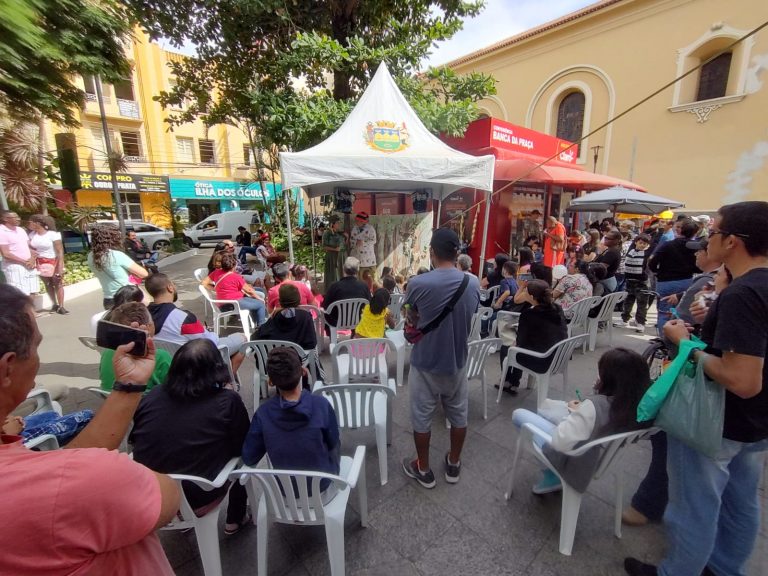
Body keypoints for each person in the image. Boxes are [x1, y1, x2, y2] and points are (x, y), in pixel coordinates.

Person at [625, 201, 768, 576]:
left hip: (716, 420)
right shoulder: (747, 289)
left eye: (714, 232)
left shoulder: (743, 294)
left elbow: (742, 380)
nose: (707, 240)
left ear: (733, 241)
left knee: (695, 507)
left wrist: (685, 344)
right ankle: (722, 568)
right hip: (755, 424)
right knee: (740, 503)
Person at [0, 284, 180, 575]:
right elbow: (167, 499)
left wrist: (129, 386)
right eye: (36, 346)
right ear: (8, 367)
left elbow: (59, 474)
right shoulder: (87, 481)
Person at [621, 263, 732, 529]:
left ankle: (653, 508)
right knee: (739, 493)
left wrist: (684, 342)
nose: (714, 276)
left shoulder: (737, 296)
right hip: (733, 410)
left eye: (720, 273)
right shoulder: (730, 294)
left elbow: (740, 375)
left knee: (672, 446)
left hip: (708, 396)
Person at [131, 339, 251, 536]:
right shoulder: (226, 401)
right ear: (216, 368)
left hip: (150, 495)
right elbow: (244, 446)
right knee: (241, 461)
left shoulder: (152, 395)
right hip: (197, 496)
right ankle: (235, 519)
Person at [401, 228, 480, 489]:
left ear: (432, 251)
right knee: (459, 414)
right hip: (457, 361)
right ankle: (454, 463)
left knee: (421, 417)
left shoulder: (418, 283)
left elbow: (411, 317)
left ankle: (423, 468)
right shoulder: (473, 283)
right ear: (457, 253)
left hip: (425, 362)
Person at [512, 347, 651, 493]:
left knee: (519, 414)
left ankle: (552, 475)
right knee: (546, 411)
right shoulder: (637, 406)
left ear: (610, 380)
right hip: (601, 456)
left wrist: (575, 414)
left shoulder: (595, 406)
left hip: (574, 460)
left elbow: (559, 442)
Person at [242, 347, 341, 489]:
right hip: (322, 487)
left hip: (284, 491)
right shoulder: (321, 405)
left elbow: (249, 456)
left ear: (270, 381)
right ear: (303, 371)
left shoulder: (263, 414)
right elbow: (333, 444)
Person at [145, 273, 246, 374]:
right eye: (173, 284)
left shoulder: (144, 316)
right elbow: (209, 341)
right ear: (170, 288)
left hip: (168, 365)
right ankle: (226, 380)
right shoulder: (183, 317)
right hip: (194, 361)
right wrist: (211, 333)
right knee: (243, 339)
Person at [498, 279, 568, 395]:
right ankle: (513, 383)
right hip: (560, 356)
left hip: (542, 360)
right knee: (517, 347)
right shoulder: (557, 308)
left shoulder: (529, 314)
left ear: (531, 296)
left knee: (507, 347)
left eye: (525, 291)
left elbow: (521, 341)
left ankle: (508, 381)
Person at [99, 302, 173, 393]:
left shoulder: (108, 351)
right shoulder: (161, 356)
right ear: (148, 327)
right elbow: (176, 389)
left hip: (109, 398)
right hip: (146, 401)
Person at [647, 217, 699, 335]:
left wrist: (657, 271)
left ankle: (664, 339)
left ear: (680, 230)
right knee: (682, 311)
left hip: (665, 281)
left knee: (664, 312)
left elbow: (652, 261)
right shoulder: (695, 246)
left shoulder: (668, 245)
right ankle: (678, 336)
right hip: (686, 280)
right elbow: (699, 266)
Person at [88, 223, 148, 309]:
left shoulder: (91, 256)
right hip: (127, 299)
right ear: (111, 237)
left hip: (108, 300)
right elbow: (144, 274)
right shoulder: (116, 255)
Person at [202, 253, 267, 326]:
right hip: (233, 304)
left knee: (256, 300)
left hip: (222, 304)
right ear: (234, 265)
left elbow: (204, 283)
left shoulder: (216, 272)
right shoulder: (236, 276)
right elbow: (249, 290)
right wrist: (260, 299)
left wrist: (215, 289)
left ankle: (257, 324)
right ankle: (262, 326)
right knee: (260, 304)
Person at [28, 214, 67, 314]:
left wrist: (60, 267)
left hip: (53, 261)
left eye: (31, 222)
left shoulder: (53, 234)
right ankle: (54, 304)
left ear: (37, 223)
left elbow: (60, 251)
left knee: (58, 283)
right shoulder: (32, 235)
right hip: (40, 262)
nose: (29, 224)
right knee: (48, 284)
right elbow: (30, 248)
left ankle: (61, 306)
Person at [614, 233, 652, 332]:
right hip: (629, 281)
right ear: (636, 242)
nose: (642, 245)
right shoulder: (630, 250)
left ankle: (640, 322)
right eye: (640, 243)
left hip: (641, 283)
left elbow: (654, 245)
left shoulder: (646, 254)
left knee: (642, 304)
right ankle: (624, 319)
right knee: (628, 302)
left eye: (645, 244)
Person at [322, 256, 371, 328]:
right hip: (358, 321)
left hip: (336, 322)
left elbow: (325, 306)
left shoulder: (334, 286)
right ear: (357, 270)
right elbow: (369, 304)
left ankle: (332, 334)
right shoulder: (364, 286)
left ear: (343, 269)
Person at [0, 211, 38, 296]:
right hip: (15, 267)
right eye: (15, 217)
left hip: (29, 265)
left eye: (18, 217)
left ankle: (30, 306)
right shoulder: (1, 232)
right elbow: (6, 254)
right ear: (5, 219)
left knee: (33, 292)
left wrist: (32, 259)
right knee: (20, 294)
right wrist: (25, 262)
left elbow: (29, 248)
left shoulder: (21, 230)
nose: (18, 219)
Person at [350, 211, 377, 281]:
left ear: (362, 221)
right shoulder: (354, 228)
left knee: (369, 279)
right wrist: (355, 242)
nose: (356, 222)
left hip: (368, 259)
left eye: (357, 221)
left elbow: (374, 240)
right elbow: (351, 239)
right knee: (358, 279)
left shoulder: (370, 229)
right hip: (357, 257)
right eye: (356, 220)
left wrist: (363, 242)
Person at [322, 215, 346, 288]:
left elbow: (343, 245)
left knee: (341, 273)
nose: (339, 224)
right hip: (331, 257)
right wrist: (334, 249)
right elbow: (324, 246)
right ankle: (332, 289)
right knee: (332, 274)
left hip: (340, 257)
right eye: (337, 223)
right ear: (332, 224)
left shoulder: (339, 233)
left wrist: (347, 238)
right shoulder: (327, 233)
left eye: (339, 223)